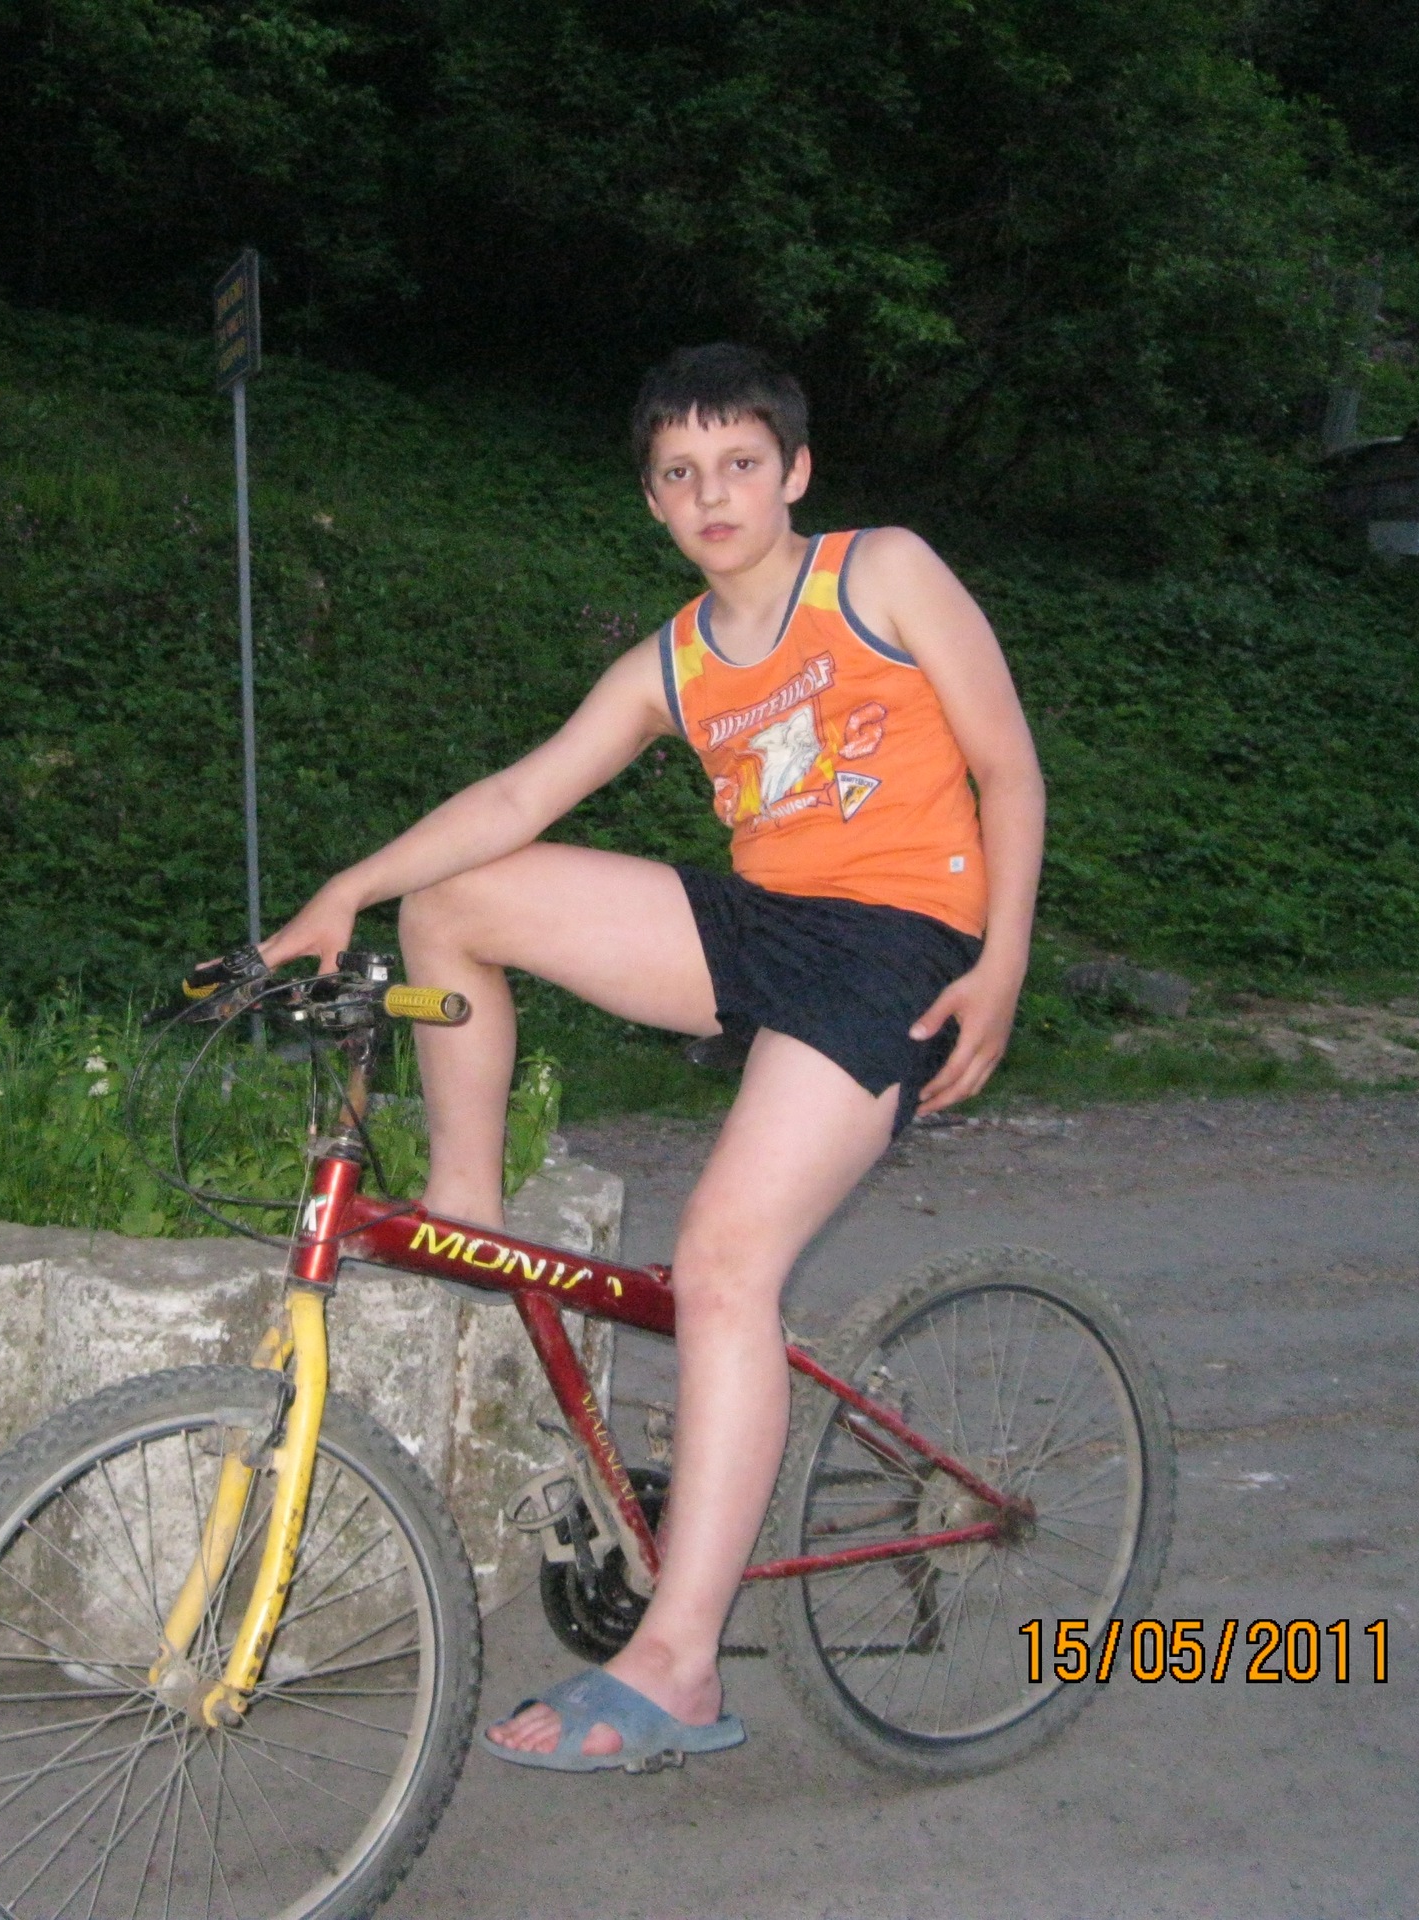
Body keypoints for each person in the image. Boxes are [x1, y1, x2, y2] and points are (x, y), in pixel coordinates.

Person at [258, 341, 1044, 1772]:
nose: (713, 494)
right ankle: (472, 1207)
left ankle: (676, 1665)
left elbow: (1007, 764)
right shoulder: (674, 661)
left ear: (795, 473)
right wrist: (344, 893)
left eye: (740, 463)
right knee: (454, 903)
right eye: (681, 474)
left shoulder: (881, 573)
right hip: (763, 925)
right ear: (653, 501)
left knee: (724, 1265)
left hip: (900, 944)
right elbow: (519, 794)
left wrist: (1004, 960)